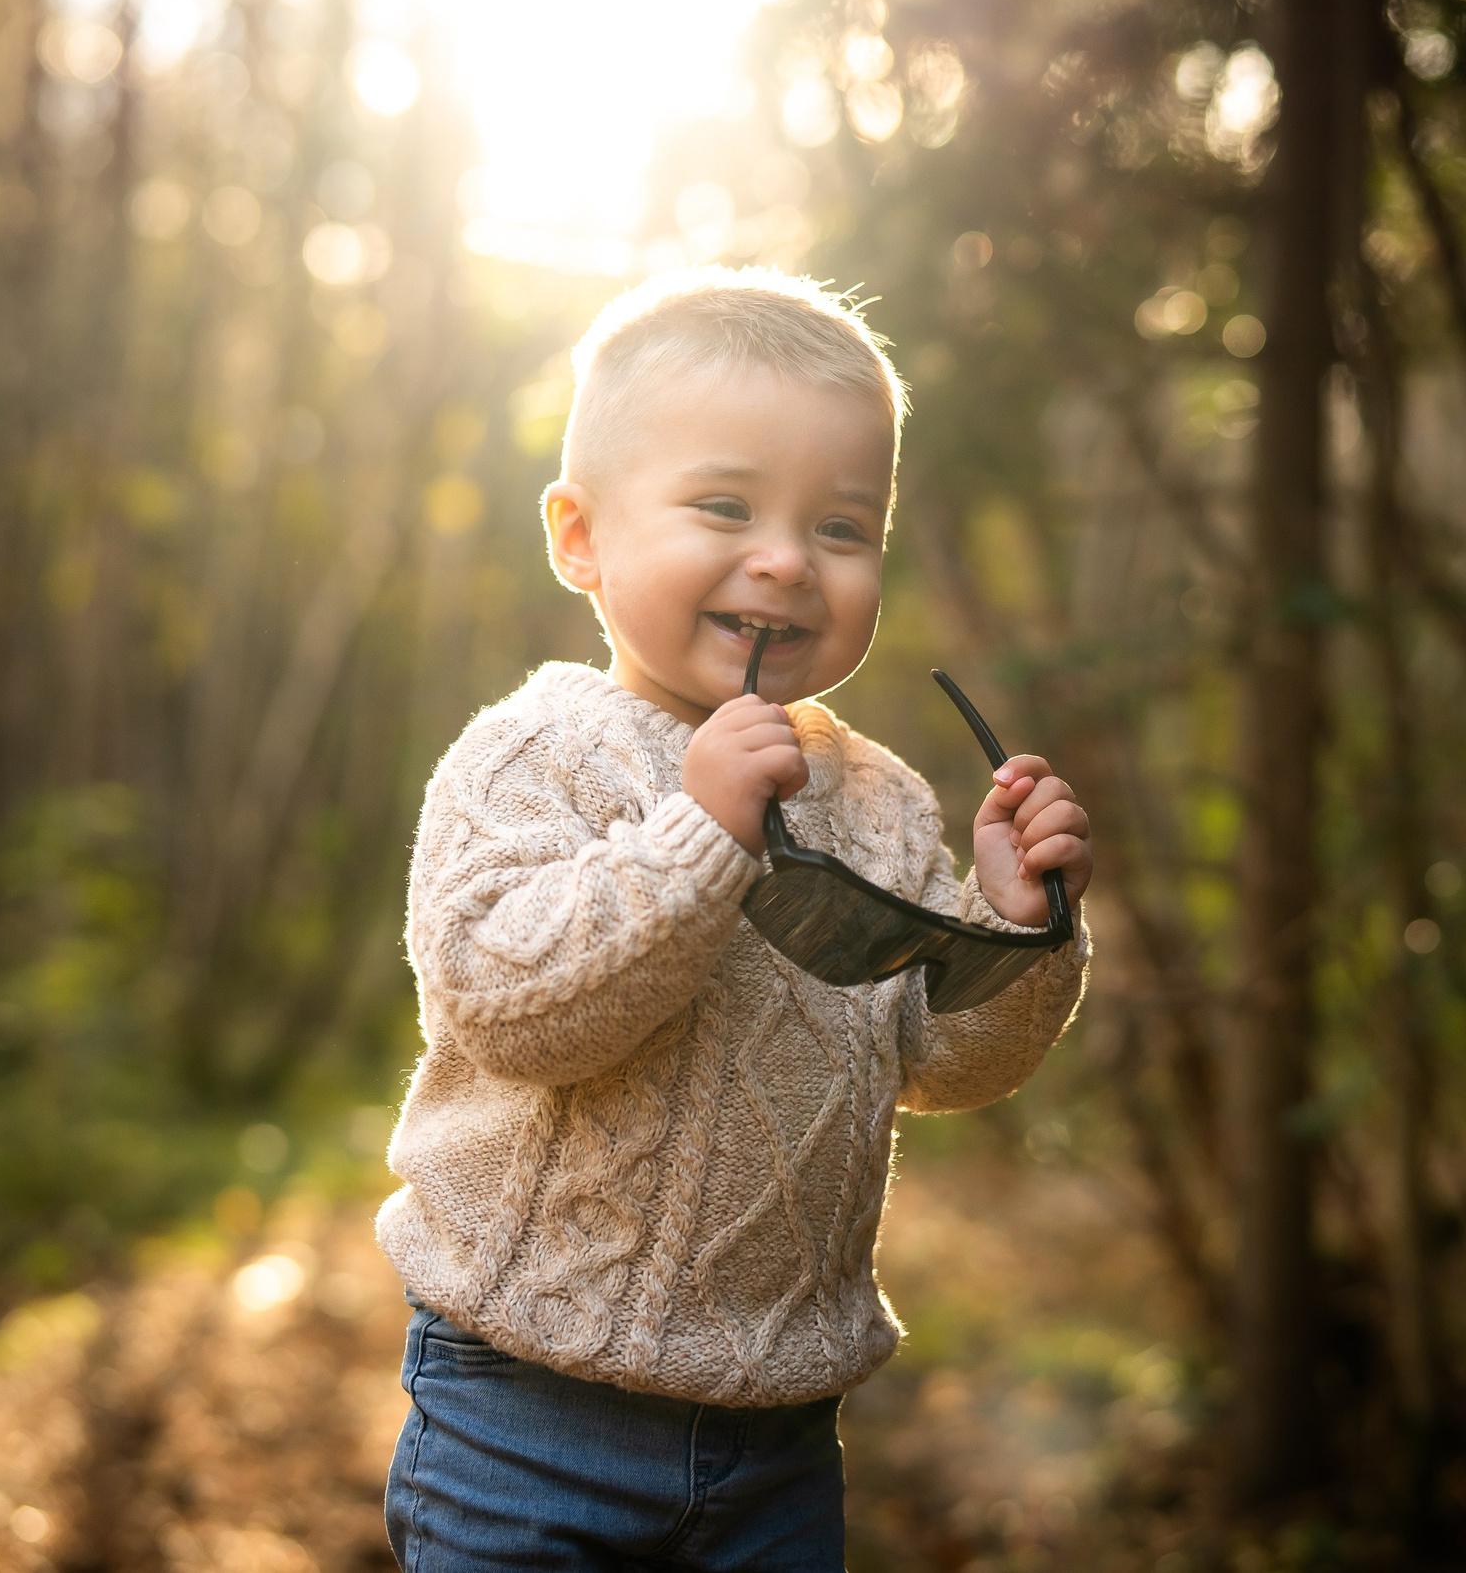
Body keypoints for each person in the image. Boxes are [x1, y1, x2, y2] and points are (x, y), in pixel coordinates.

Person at [378, 266, 1094, 1571]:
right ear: (581, 535)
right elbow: (508, 1008)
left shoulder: (874, 803)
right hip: (528, 1417)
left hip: (777, 1439)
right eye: (723, 506)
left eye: (841, 526)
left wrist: (1015, 926)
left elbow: (941, 1063)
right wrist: (701, 835)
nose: (783, 558)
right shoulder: (535, 754)